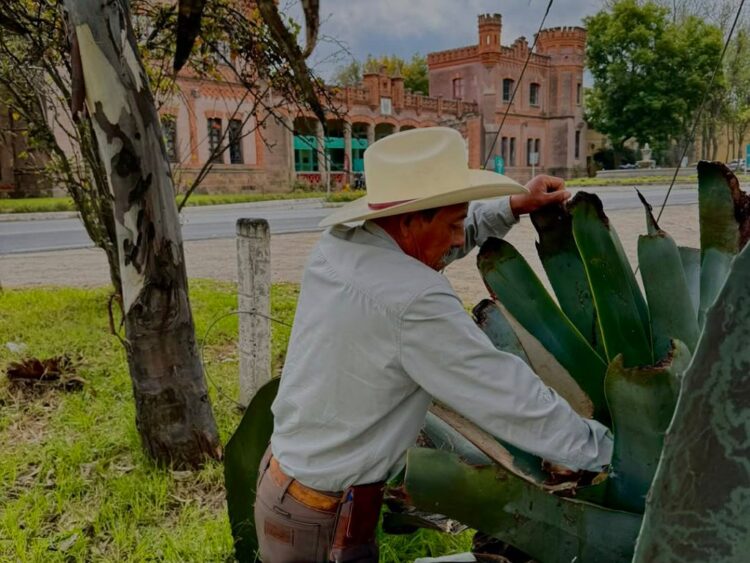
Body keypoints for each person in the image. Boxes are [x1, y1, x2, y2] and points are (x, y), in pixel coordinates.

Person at [254, 128, 613, 562]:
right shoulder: (413, 299)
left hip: (284, 484)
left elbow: (430, 241)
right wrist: (604, 450)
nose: (458, 239)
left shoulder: (344, 243)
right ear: (409, 221)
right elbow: (505, 394)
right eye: (453, 225)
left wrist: (512, 206)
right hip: (321, 520)